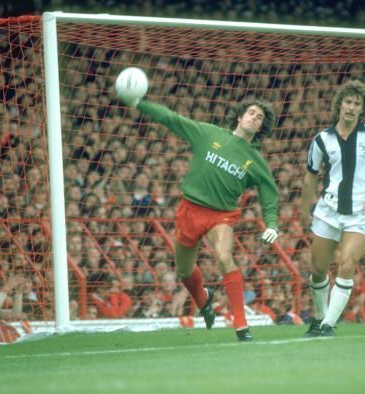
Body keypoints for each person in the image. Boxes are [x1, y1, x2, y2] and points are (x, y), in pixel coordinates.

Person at [116, 69, 280, 341]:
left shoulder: (256, 161)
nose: (255, 117)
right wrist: (137, 103)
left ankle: (241, 326)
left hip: (222, 216)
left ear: (262, 128)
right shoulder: (208, 134)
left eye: (260, 117)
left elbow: (269, 192)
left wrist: (272, 223)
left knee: (224, 256)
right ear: (239, 116)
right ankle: (204, 300)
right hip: (189, 209)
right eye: (251, 112)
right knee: (183, 271)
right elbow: (172, 119)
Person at [300, 80, 365, 337]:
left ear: (362, 109)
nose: (351, 107)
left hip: (360, 212)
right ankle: (319, 317)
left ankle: (328, 325)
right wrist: (304, 207)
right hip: (327, 211)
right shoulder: (321, 139)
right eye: (348, 102)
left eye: (357, 103)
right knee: (318, 269)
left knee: (346, 264)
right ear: (339, 105)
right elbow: (310, 175)